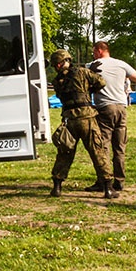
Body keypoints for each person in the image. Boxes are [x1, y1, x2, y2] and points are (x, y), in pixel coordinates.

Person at [48, 49, 117, 199]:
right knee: (98, 152)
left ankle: (57, 187)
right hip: (87, 118)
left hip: (69, 120)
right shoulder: (83, 72)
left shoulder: (56, 81)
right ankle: (108, 188)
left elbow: (62, 96)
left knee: (65, 153)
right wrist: (89, 85)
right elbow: (101, 83)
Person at [83, 41, 136, 194]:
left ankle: (104, 181)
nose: (93, 54)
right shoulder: (121, 64)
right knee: (119, 147)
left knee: (103, 146)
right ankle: (119, 181)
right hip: (121, 108)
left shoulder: (93, 65)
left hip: (105, 109)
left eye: (94, 51)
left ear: (100, 51)